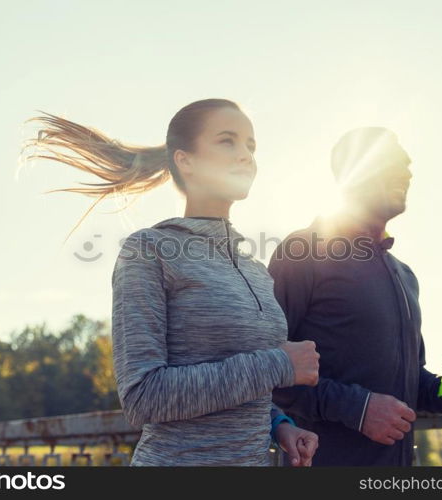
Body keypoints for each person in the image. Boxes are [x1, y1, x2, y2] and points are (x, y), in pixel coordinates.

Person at [22, 98, 320, 466]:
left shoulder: (255, 269)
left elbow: (242, 384)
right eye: (227, 140)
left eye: (251, 145)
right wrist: (278, 364)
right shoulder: (149, 250)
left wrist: (280, 426)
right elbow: (143, 396)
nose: (246, 155)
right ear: (186, 160)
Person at [269, 127, 442, 466]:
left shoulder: (405, 275)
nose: (408, 170)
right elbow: (267, 371)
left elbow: (412, 383)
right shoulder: (303, 250)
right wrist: (358, 409)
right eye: (393, 161)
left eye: (407, 164)